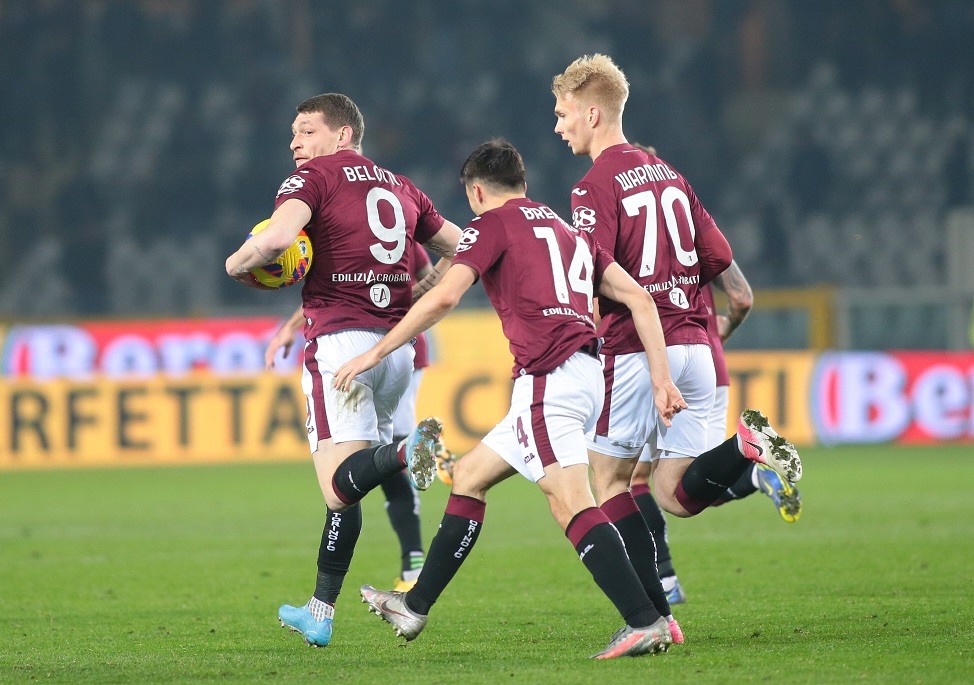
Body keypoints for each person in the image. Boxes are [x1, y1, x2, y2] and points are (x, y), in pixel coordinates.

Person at [334, 139, 686, 659]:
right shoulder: (568, 230)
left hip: (549, 377)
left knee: (570, 502)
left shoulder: (490, 225)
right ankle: (414, 606)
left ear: (477, 192)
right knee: (469, 476)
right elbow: (638, 297)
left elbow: (446, 295)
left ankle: (644, 621)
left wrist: (377, 350)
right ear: (522, 182)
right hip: (585, 372)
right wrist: (661, 378)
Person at [225, 92, 463, 648]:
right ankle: (320, 610)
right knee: (351, 483)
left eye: (306, 130)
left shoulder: (311, 179)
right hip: (396, 351)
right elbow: (464, 246)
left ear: (342, 135)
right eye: (293, 133)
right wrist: (423, 290)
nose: (295, 143)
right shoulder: (402, 187)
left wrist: (236, 263)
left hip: (340, 348)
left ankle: (407, 450)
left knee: (337, 487)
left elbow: (276, 240)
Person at [551, 55, 801, 583]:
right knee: (673, 494)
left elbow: (592, 274)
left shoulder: (592, 186)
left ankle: (652, 612)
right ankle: (744, 446)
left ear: (592, 114)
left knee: (610, 482)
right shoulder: (672, 177)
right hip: (697, 347)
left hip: (638, 349)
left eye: (563, 114)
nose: (559, 126)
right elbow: (724, 264)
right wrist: (684, 296)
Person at [263, 239, 452, 593]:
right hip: (395, 347)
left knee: (381, 457)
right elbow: (431, 278)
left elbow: (433, 277)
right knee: (378, 459)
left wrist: (395, 306)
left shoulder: (351, 231)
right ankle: (411, 558)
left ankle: (412, 559)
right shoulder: (388, 226)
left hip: (374, 347)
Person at [629, 256, 803, 604]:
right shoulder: (693, 235)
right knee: (699, 485)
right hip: (707, 363)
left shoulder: (626, 237)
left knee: (637, 479)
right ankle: (753, 472)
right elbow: (742, 298)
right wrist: (719, 331)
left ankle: (666, 580)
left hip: (658, 361)